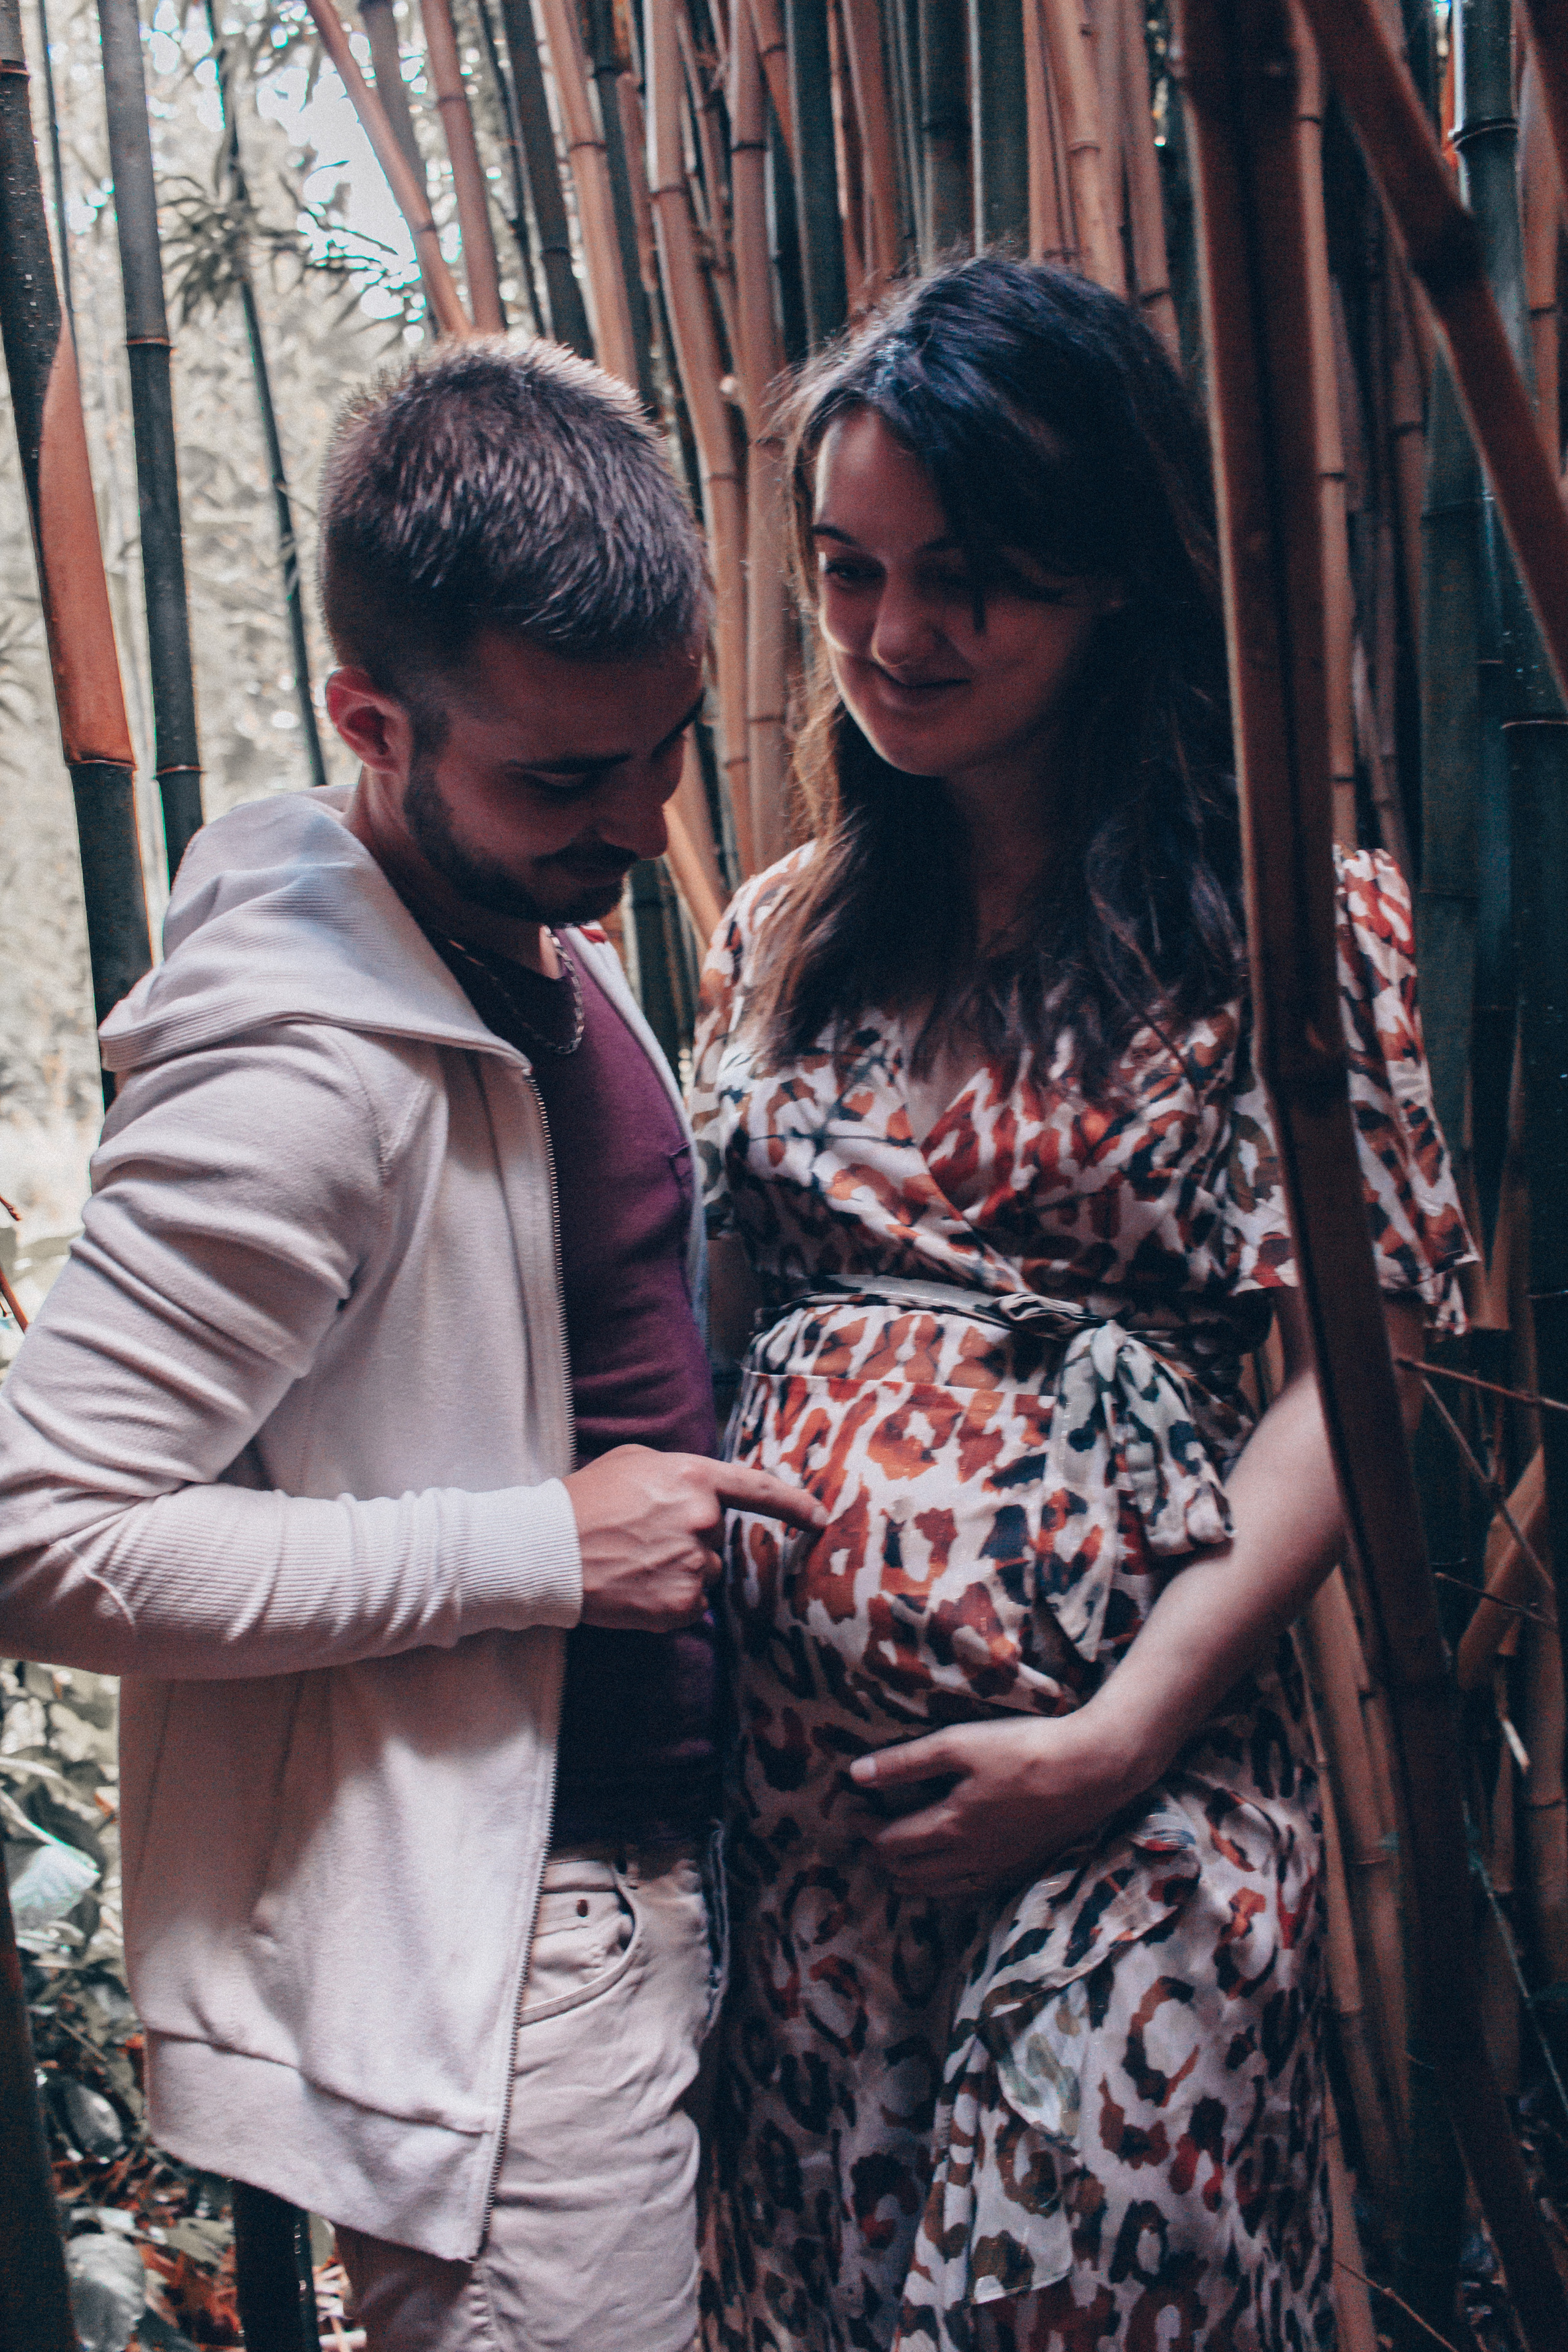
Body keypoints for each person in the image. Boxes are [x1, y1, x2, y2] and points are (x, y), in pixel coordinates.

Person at [0, 335, 822, 2352]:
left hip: (671, 1883)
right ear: (372, 722)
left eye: (660, 749)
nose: (635, 820)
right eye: (561, 777)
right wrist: (539, 1546)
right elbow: (36, 1537)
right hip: (512, 1958)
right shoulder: (300, 1066)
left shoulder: (510, 927)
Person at [690, 256, 1469, 2352]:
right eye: (849, 572)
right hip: (812, 1847)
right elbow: (726, 1326)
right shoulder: (781, 935)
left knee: (1067, 2298)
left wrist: (1116, 1735)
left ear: (1112, 571)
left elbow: (1364, 1374)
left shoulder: (1293, 933)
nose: (893, 637)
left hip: (1136, 1786)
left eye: (970, 582)